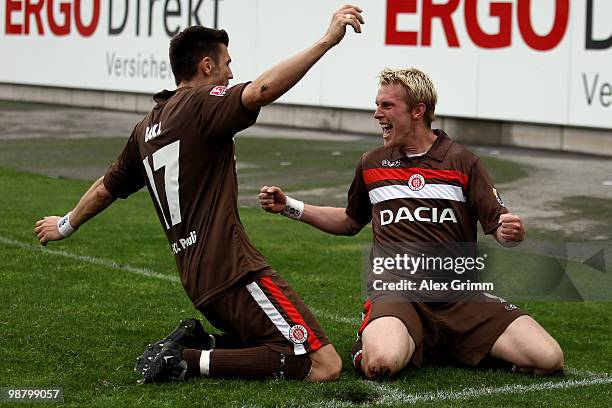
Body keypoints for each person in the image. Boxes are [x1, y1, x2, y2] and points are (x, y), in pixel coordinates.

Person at [34, 5, 365, 383]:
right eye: (226, 63)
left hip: (196, 278)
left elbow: (106, 188)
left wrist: (65, 225)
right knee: (323, 365)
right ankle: (187, 360)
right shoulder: (201, 103)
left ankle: (202, 341)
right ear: (206, 67)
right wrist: (326, 41)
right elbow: (261, 90)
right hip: (233, 269)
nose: (231, 72)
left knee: (267, 339)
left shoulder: (146, 127)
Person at [258, 68, 564, 380]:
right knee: (381, 364)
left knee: (548, 358)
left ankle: (440, 341)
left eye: (386, 106)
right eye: (377, 105)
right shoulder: (371, 163)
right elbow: (350, 221)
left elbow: (500, 227)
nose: (377, 114)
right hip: (398, 293)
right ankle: (379, 339)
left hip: (460, 297)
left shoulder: (463, 162)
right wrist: (290, 207)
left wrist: (510, 232)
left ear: (418, 110)